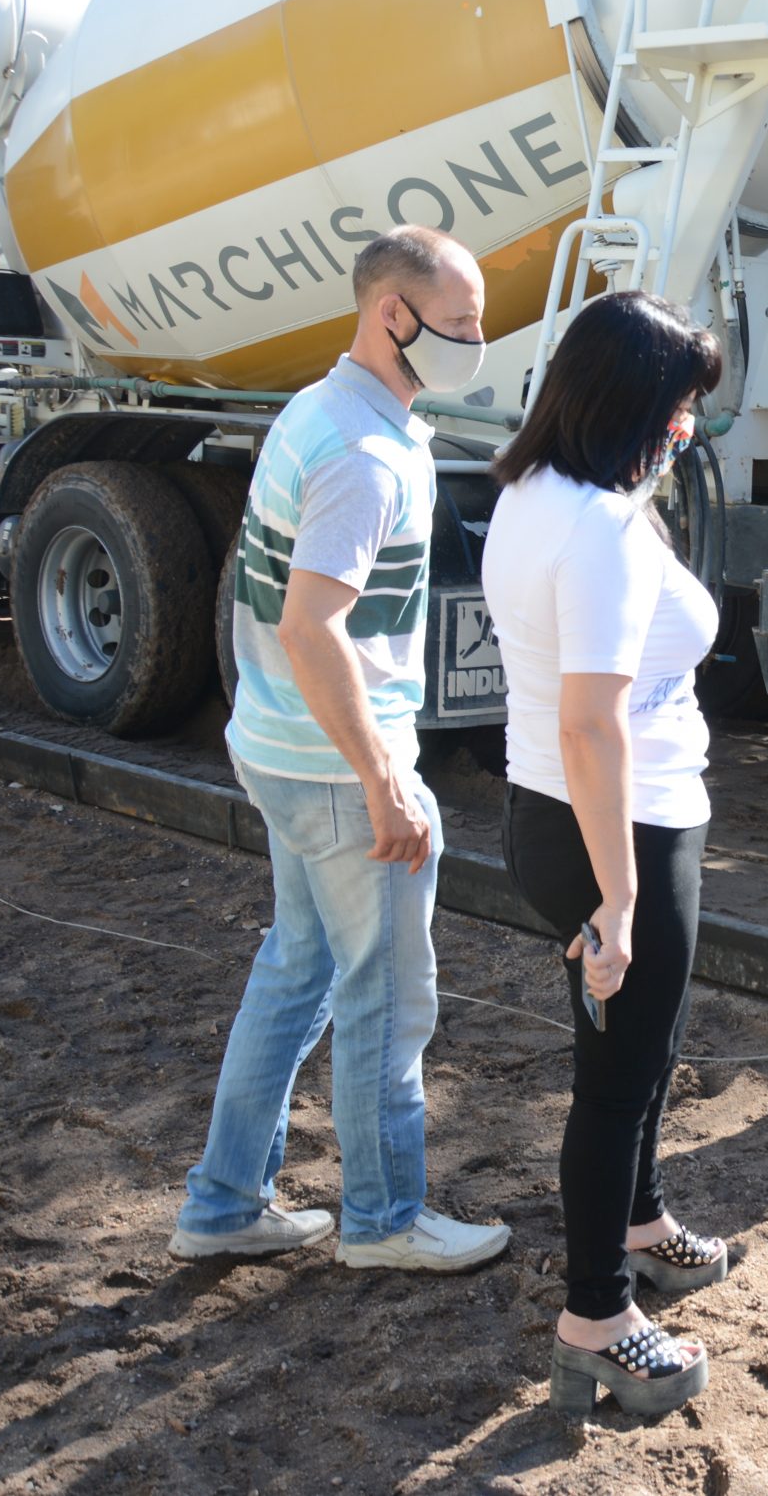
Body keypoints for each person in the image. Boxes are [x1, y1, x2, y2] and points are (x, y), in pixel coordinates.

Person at [171, 227, 509, 1272]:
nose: (476, 342)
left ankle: (225, 1202)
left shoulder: (327, 412)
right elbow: (313, 625)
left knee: (299, 969)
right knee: (386, 996)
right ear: (391, 315)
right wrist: (384, 780)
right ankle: (382, 1219)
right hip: (332, 767)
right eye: (458, 324)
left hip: (279, 746)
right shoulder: (363, 455)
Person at [484, 291, 729, 1419]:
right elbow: (593, 724)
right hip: (614, 833)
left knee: (641, 1061)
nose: (686, 425)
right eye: (679, 404)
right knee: (616, 1084)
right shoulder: (597, 529)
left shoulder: (537, 491)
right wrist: (622, 900)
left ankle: (640, 1223)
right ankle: (597, 1316)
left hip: (559, 815)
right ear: (635, 401)